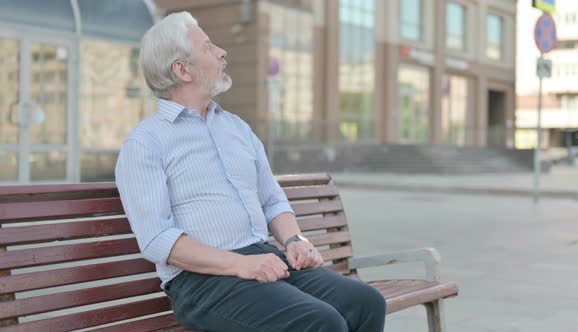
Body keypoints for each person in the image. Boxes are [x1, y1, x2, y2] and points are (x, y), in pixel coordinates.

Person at [115, 11, 386, 332]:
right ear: (182, 70)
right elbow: (157, 239)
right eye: (208, 47)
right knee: (321, 322)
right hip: (201, 280)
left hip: (263, 256)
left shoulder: (236, 128)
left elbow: (272, 200)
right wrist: (241, 265)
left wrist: (295, 240)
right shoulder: (146, 142)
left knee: (366, 303)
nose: (221, 52)